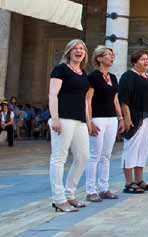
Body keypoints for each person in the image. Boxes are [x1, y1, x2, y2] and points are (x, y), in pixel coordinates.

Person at [48, 39, 91, 212]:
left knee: (83, 157)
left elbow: (85, 100)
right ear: (68, 51)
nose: (79, 51)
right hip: (63, 118)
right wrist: (55, 118)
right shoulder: (61, 69)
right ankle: (58, 199)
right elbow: (53, 94)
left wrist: (88, 121)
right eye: (75, 48)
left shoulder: (83, 72)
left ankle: (70, 194)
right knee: (59, 157)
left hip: (79, 120)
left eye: (81, 48)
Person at [84, 46, 124, 202]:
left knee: (106, 155)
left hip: (111, 118)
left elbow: (115, 99)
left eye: (112, 55)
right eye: (108, 55)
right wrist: (89, 121)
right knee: (95, 155)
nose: (112, 57)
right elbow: (87, 99)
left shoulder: (113, 77)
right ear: (99, 58)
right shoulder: (93, 77)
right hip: (98, 118)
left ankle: (104, 188)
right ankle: (90, 189)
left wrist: (120, 118)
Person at [119, 49, 148, 194]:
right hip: (136, 117)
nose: (146, 61)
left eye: (147, 59)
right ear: (135, 61)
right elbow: (123, 99)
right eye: (143, 59)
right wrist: (126, 117)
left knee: (143, 148)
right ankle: (128, 182)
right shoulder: (128, 76)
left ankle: (139, 179)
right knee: (131, 147)